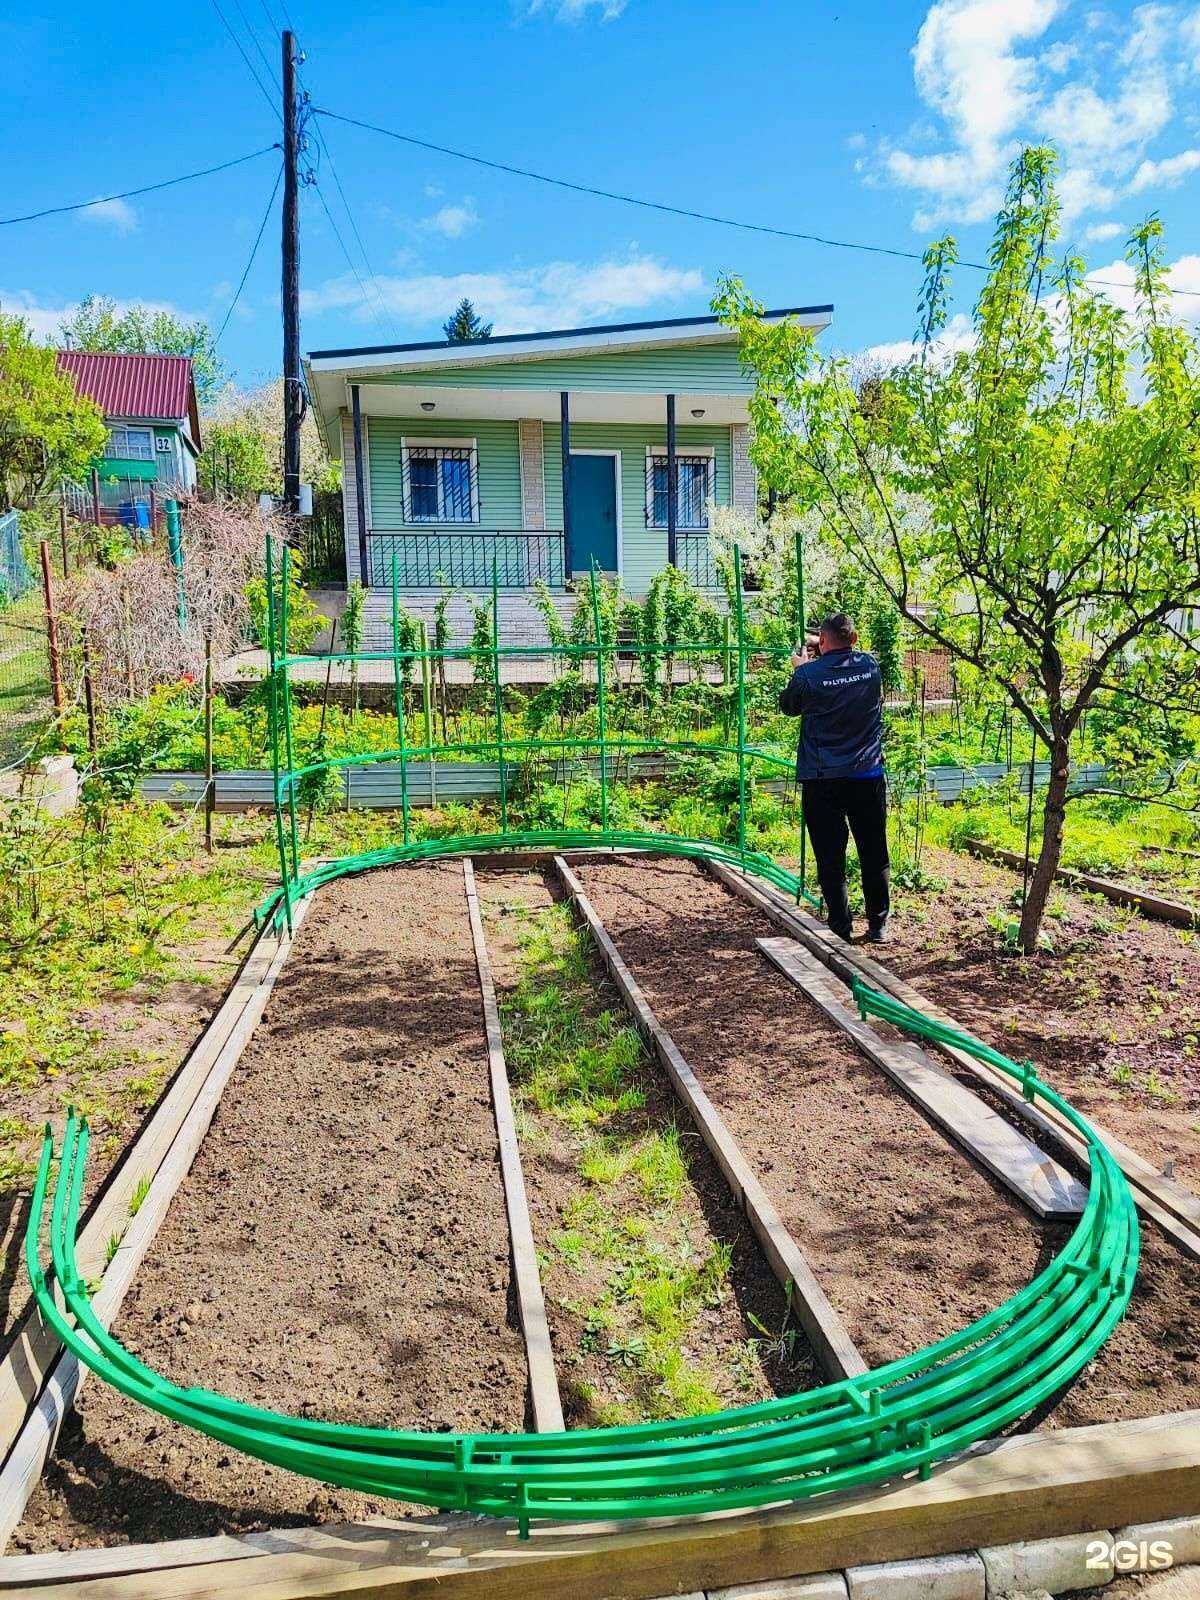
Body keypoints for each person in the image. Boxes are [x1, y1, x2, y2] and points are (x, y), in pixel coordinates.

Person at [778, 612, 890, 942]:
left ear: (821, 642)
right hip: (866, 774)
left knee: (830, 855)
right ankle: (878, 925)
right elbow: (848, 656)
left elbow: (789, 707)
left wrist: (801, 669)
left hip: (822, 777)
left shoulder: (808, 674)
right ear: (854, 640)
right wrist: (829, 649)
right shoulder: (871, 668)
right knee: (873, 852)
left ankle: (841, 926)